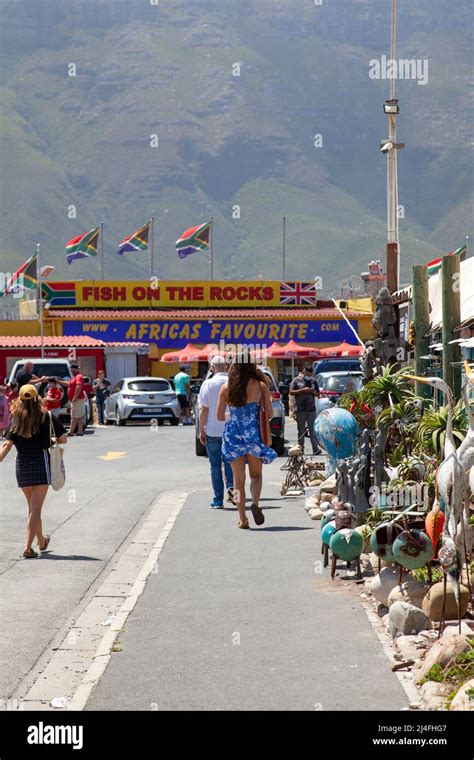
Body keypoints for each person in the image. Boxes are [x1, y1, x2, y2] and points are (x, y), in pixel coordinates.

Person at [0, 384, 67, 558]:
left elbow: (7, 444)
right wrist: (50, 439)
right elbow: (63, 439)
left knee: (32, 507)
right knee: (35, 509)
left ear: (20, 399)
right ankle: (27, 548)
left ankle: (42, 541)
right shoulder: (48, 417)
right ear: (37, 398)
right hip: (41, 462)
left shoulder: (16, 418)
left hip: (22, 464)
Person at [218, 359, 276, 529]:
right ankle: (256, 503)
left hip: (232, 435)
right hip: (253, 434)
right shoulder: (260, 386)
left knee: (237, 480)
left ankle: (242, 518)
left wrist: (235, 416)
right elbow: (270, 413)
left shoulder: (226, 388)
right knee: (256, 476)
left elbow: (220, 416)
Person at [198, 356, 234, 509]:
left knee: (215, 466)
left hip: (212, 430)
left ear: (212, 368)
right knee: (232, 464)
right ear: (226, 366)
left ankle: (218, 500)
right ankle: (234, 496)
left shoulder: (207, 384)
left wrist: (201, 430)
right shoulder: (233, 383)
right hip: (231, 430)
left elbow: (203, 409)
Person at [289, 364, 321, 455]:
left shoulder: (313, 381)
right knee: (301, 430)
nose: (309, 375)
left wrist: (312, 391)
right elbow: (291, 392)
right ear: (304, 371)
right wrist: (302, 390)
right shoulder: (296, 380)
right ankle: (300, 449)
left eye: (311, 373)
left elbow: (318, 394)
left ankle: (315, 449)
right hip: (300, 409)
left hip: (311, 409)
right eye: (308, 373)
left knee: (312, 430)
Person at [57, 363, 87, 436]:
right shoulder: (74, 377)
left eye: (73, 368)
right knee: (79, 416)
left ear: (77, 369)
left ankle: (71, 431)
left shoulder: (79, 377)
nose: (72, 370)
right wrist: (58, 381)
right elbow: (68, 384)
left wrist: (75, 397)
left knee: (74, 417)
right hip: (78, 400)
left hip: (77, 400)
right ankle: (80, 431)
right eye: (71, 369)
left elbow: (78, 386)